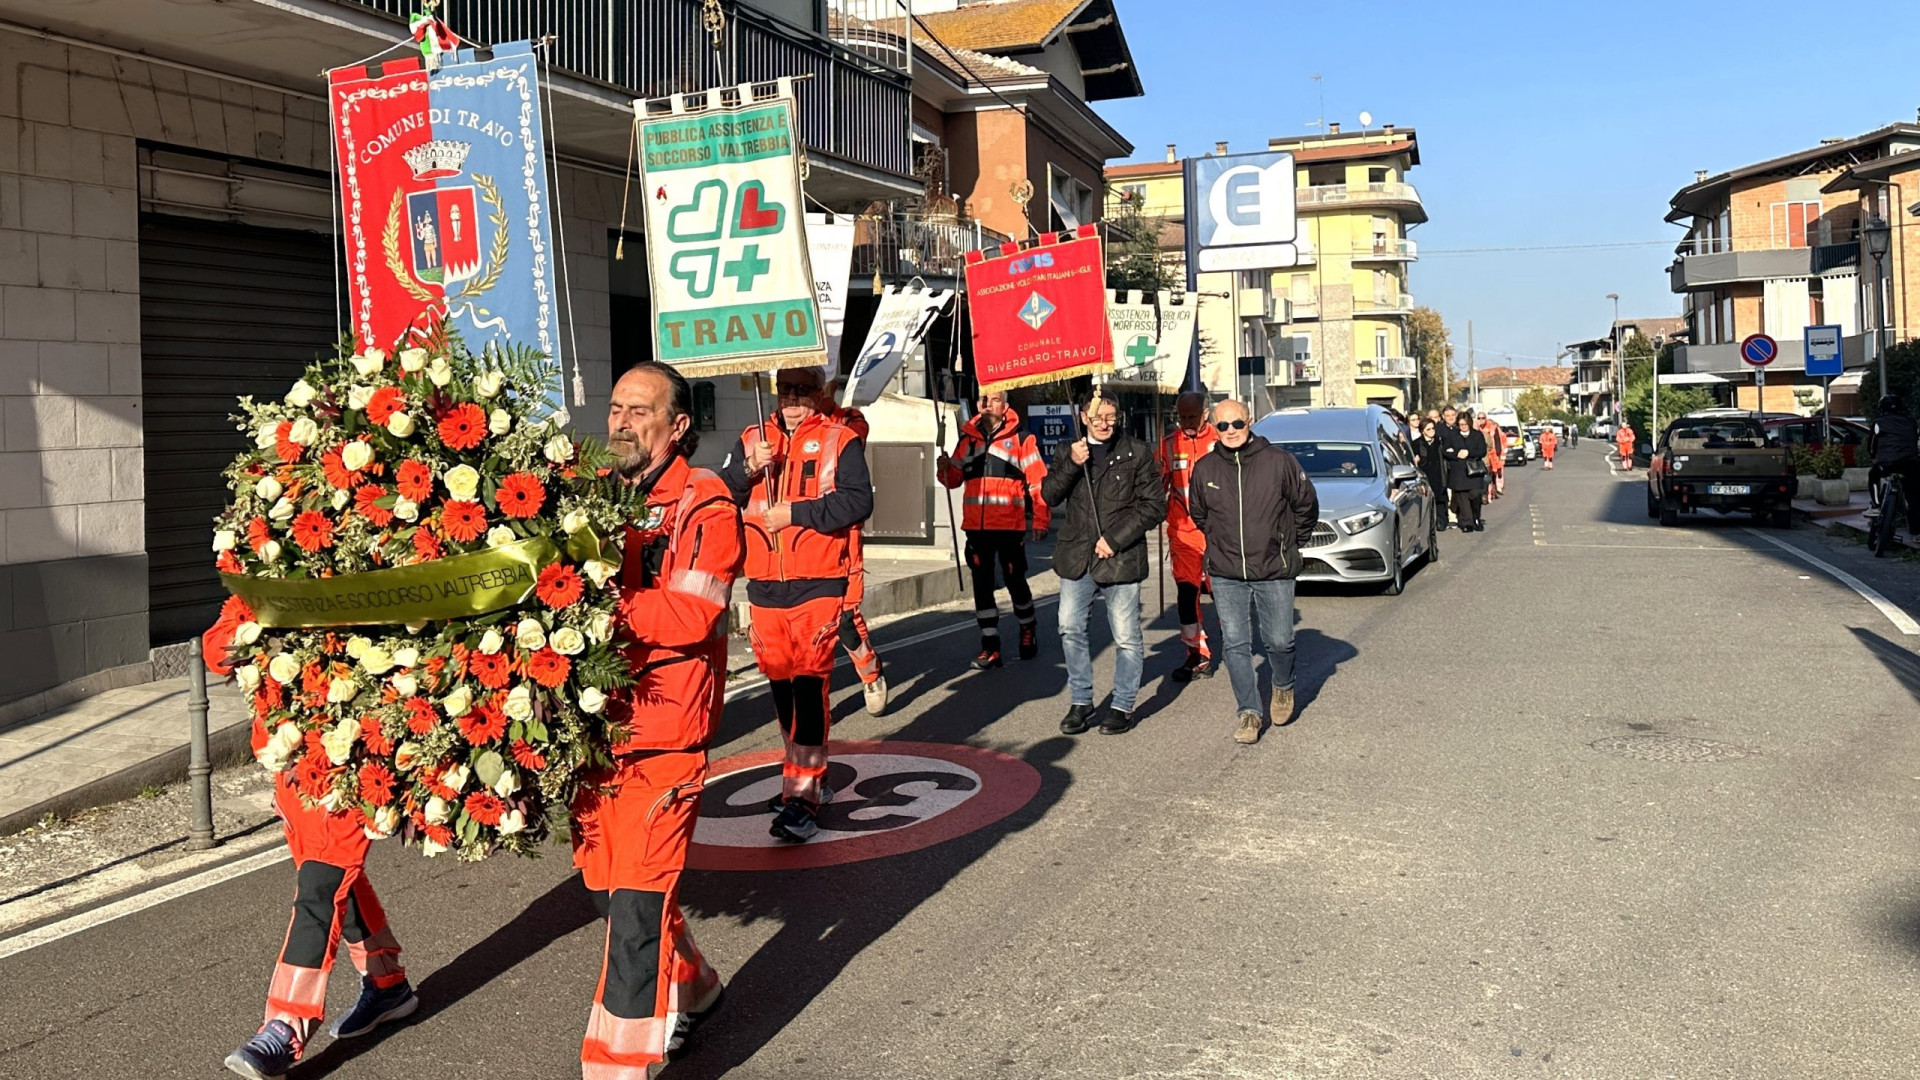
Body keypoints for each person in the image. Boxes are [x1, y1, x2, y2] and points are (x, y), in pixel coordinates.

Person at [574, 360, 740, 1077]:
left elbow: (693, 612)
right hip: (595, 732)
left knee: (637, 908)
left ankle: (617, 1064)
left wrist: (587, 604)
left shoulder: (706, 503)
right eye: (615, 408)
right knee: (615, 890)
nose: (620, 422)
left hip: (665, 737)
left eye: (639, 411)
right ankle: (696, 984)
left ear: (678, 428)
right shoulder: (591, 495)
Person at [212, 590, 417, 1079]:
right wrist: (252, 618)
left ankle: (284, 1027)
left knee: (321, 886)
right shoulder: (272, 573)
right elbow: (217, 651)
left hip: (357, 763)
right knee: (332, 879)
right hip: (291, 763)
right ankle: (387, 983)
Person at [722, 367, 873, 842]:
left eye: (802, 391)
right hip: (764, 586)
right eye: (785, 390)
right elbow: (723, 494)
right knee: (782, 690)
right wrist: (749, 468)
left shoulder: (839, 438)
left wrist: (796, 515)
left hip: (818, 583)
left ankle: (801, 800)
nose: (791, 399)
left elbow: (856, 503)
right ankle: (804, 778)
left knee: (810, 688)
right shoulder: (752, 436)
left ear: (819, 394)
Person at [1187, 399, 1319, 744]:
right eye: (1223, 426)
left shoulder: (1279, 462)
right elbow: (1199, 514)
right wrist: (1219, 542)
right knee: (1235, 643)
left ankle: (1283, 686)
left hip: (1274, 568)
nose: (1230, 431)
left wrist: (1290, 542)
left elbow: (1306, 505)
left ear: (1250, 422)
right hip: (1226, 571)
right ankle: (1248, 712)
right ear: (1213, 428)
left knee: (1279, 639)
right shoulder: (1205, 469)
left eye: (1237, 424)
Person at [1041, 391, 1166, 736]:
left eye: (1110, 416)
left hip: (1121, 557)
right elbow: (1049, 496)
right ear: (1083, 417)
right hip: (1077, 556)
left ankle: (1122, 705)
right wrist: (1070, 463)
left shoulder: (1137, 452)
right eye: (1097, 417)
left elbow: (1155, 506)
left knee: (1126, 636)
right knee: (1069, 626)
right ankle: (1081, 701)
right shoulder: (1069, 450)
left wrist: (1115, 539)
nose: (1104, 423)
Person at [937, 389, 1050, 669]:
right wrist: (944, 468)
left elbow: (1037, 482)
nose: (986, 403)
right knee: (982, 585)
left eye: (994, 399)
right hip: (976, 528)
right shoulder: (967, 440)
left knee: (1015, 581)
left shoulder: (1022, 439)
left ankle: (1027, 629)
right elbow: (953, 480)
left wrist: (1040, 519)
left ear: (1005, 406)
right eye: (983, 398)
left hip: (1009, 527)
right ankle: (990, 646)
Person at [818, 382, 888, 715]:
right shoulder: (780, 428)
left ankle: (871, 673)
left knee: (845, 617)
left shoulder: (850, 421)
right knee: (809, 622)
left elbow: (848, 444)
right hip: (800, 534)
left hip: (842, 535)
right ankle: (814, 698)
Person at [1157, 391, 1219, 681]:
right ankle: (1196, 655)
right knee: (1186, 595)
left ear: (1205, 414)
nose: (1186, 422)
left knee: (1224, 595)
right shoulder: (1169, 445)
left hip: (1220, 533)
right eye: (1181, 417)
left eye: (1192, 417)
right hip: (1183, 533)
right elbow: (1157, 487)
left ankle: (1238, 650)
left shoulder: (1220, 441)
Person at [1869, 394, 1920, 537]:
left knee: (1873, 475)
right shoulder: (1912, 423)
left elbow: (1871, 446)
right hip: (1910, 464)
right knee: (1914, 496)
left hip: (1886, 463)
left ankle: (1876, 505)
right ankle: (1916, 531)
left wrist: (1873, 457)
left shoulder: (1879, 423)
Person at [1443, 412, 1488, 531]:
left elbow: (1482, 451)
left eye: (1465, 424)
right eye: (1461, 424)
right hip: (1458, 471)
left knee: (1475, 494)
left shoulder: (1477, 435)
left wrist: (1468, 453)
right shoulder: (1452, 435)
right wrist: (1456, 454)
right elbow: (1445, 451)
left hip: (1474, 471)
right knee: (1462, 497)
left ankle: (1476, 518)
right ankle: (1466, 523)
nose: (1463, 426)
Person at [1415, 418, 1449, 530]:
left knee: (1440, 499)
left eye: (1433, 428)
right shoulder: (1416, 443)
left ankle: (1441, 521)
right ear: (1422, 431)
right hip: (1425, 475)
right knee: (1427, 501)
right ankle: (1428, 524)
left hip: (1439, 475)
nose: (1432, 431)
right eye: (1428, 429)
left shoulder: (1440, 442)